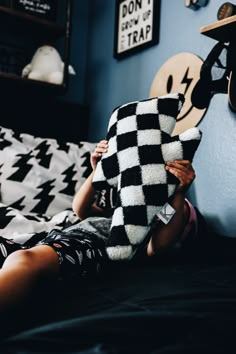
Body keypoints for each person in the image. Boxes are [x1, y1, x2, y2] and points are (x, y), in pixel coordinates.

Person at [0, 140, 198, 315]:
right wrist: (97, 171)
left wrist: (178, 194)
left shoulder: (168, 208)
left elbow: (157, 247)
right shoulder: (122, 201)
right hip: (60, 234)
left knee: (23, 260)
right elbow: (81, 210)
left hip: (93, 245)